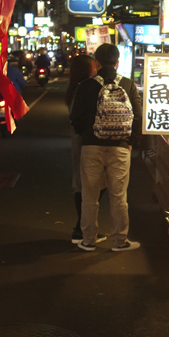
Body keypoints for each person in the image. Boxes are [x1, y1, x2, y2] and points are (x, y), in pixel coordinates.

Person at [70, 43, 142, 253]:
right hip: (120, 148)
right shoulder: (128, 85)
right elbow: (137, 116)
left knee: (89, 196)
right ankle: (120, 241)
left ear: (97, 63)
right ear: (118, 62)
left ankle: (88, 240)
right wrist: (129, 143)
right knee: (119, 197)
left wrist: (87, 135)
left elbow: (75, 118)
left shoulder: (85, 86)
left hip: (91, 147)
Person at [65, 52, 97, 244]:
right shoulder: (83, 88)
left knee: (82, 181)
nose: (96, 69)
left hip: (78, 138)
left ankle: (82, 226)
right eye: (93, 66)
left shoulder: (74, 88)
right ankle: (81, 228)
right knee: (84, 183)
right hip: (83, 139)